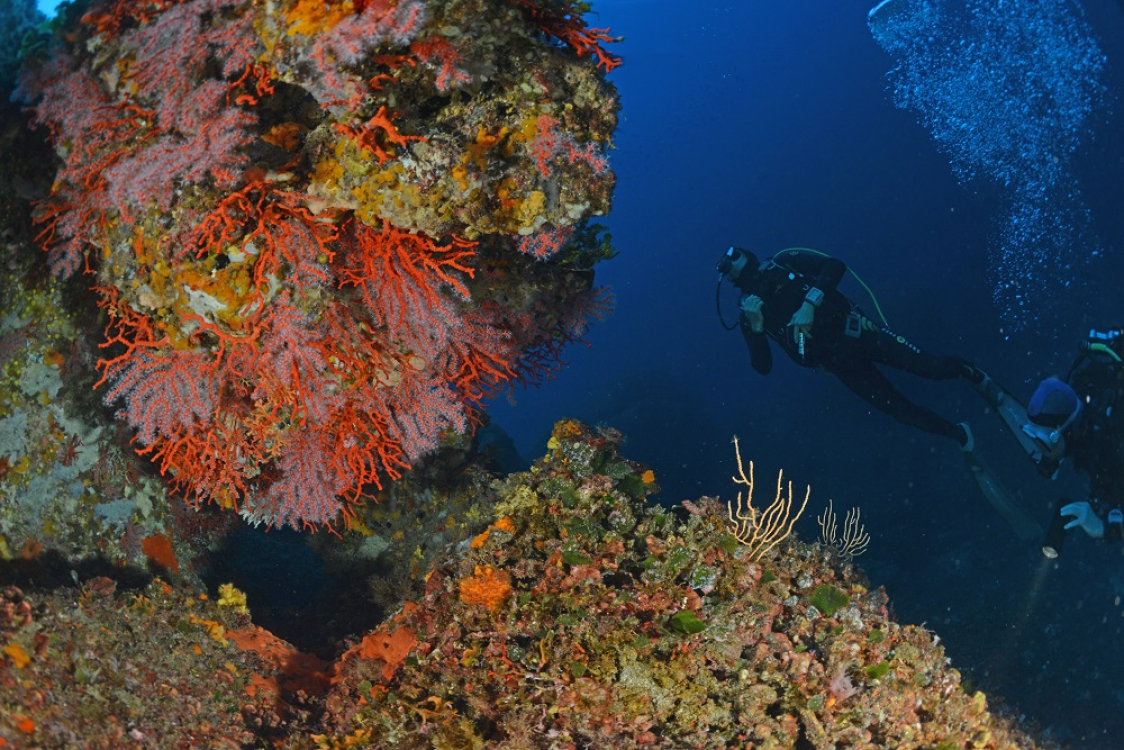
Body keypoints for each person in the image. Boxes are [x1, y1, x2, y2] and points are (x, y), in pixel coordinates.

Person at [716, 246, 987, 450]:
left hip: (858, 331)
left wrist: (809, 304)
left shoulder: (783, 261)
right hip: (839, 365)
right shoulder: (747, 312)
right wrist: (757, 327)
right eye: (727, 263)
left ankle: (976, 375)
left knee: (933, 368)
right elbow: (762, 367)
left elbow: (834, 266)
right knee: (902, 412)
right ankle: (959, 434)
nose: (732, 258)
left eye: (735, 253)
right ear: (728, 279)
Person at [1022, 330, 1124, 543]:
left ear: (1061, 432)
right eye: (1031, 436)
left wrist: (1102, 528)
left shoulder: (1112, 443)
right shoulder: (1081, 388)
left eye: (1042, 442)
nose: (1039, 449)